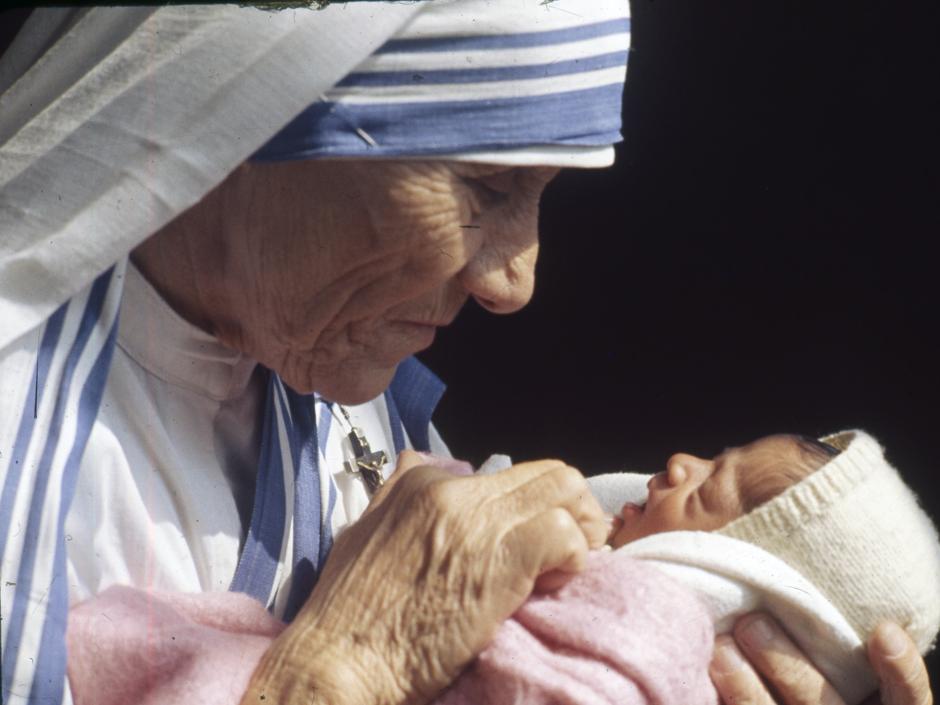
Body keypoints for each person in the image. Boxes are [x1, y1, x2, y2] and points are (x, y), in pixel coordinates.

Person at [0, 4, 932, 705]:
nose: (515, 281)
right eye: (484, 185)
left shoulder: (353, 401)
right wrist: (344, 663)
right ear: (247, 112)